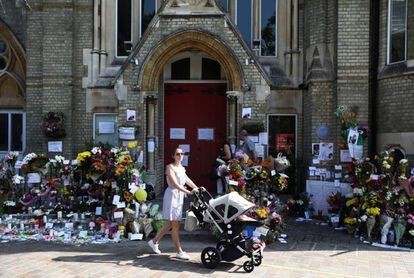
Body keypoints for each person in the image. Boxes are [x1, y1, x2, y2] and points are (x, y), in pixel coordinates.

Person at [147, 147, 201, 260]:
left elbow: (186, 180)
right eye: (178, 154)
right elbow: (175, 184)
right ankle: (179, 251)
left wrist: (197, 187)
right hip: (172, 196)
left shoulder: (181, 168)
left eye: (182, 153)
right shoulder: (169, 167)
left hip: (179, 196)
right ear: (173, 156)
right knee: (175, 224)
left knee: (171, 223)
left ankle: (154, 241)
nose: (180, 155)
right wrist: (189, 192)